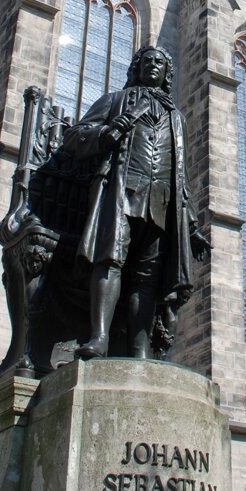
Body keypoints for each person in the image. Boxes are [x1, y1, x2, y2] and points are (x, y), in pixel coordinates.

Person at [63, 45, 209, 359]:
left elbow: (181, 175)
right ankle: (99, 338)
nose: (153, 65)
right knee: (110, 259)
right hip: (121, 191)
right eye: (147, 61)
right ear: (137, 68)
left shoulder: (176, 117)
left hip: (162, 202)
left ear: (167, 72)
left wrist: (191, 225)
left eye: (159, 62)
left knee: (148, 278)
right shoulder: (115, 101)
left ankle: (139, 352)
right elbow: (75, 136)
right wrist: (108, 132)